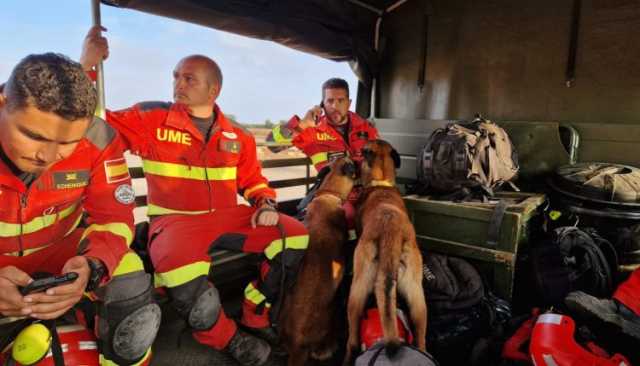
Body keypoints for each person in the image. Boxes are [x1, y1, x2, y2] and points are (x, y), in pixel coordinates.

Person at [81, 26, 309, 366]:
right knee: (181, 275)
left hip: (229, 218)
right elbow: (91, 124)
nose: (178, 85)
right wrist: (89, 66)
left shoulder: (238, 136)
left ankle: (254, 311)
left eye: (189, 79)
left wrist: (265, 204)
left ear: (213, 89)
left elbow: (254, 181)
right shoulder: (150, 118)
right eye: (176, 77)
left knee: (296, 237)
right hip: (175, 223)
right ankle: (228, 340)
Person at [0, 53, 159, 365]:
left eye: (66, 143)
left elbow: (114, 218)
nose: (47, 156)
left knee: (129, 276)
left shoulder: (98, 139)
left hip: (62, 257)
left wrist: (92, 268)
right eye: (32, 135)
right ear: (4, 102)